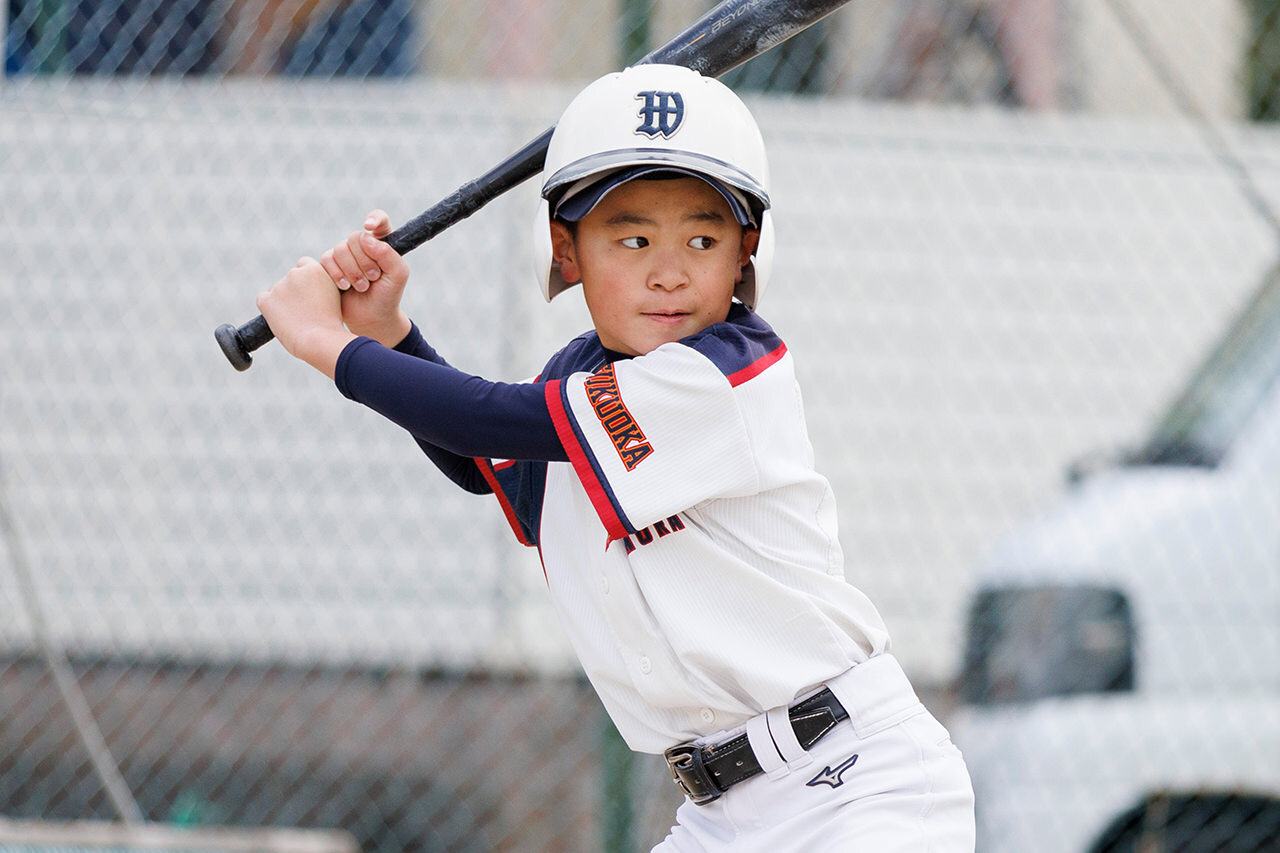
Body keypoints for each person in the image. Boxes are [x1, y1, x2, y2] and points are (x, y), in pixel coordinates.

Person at [256, 63, 975, 852]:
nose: (669, 270)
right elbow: (481, 452)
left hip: (857, 787)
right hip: (723, 811)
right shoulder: (576, 379)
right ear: (565, 250)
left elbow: (484, 416)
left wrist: (330, 344)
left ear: (746, 255)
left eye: (702, 238)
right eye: (631, 237)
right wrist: (391, 334)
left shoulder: (725, 369)